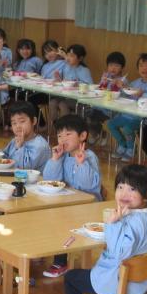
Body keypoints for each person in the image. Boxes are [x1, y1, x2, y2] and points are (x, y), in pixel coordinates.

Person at [62, 163, 147, 294]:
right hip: (140, 284)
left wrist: (111, 223)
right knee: (112, 269)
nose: (124, 193)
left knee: (71, 278)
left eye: (132, 189)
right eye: (120, 187)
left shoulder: (133, 222)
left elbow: (119, 252)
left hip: (119, 285)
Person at [41, 113, 103, 278]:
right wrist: (55, 159)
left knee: (60, 220)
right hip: (69, 202)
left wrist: (81, 163)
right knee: (47, 215)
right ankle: (44, 249)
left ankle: (60, 261)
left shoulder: (89, 157)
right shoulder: (64, 155)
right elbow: (50, 180)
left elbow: (88, 185)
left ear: (82, 136)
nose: (63, 139)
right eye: (60, 135)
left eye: (68, 134)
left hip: (89, 206)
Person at [107, 53, 147, 159]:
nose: (144, 68)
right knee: (111, 124)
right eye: (141, 65)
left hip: (142, 118)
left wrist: (143, 95)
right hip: (128, 114)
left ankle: (131, 149)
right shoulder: (135, 82)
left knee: (127, 128)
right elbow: (127, 95)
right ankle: (122, 144)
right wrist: (122, 87)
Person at [48, 44, 91, 122]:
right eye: (67, 55)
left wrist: (78, 84)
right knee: (52, 103)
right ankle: (55, 125)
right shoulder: (66, 67)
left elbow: (89, 86)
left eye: (71, 56)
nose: (68, 58)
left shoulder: (84, 70)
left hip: (78, 99)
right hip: (66, 96)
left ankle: (66, 126)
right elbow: (65, 82)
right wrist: (59, 79)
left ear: (80, 58)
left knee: (62, 104)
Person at [2, 101, 50, 169]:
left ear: (34, 121)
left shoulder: (40, 145)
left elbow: (25, 168)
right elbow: (5, 156)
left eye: (22, 121)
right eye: (14, 123)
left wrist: (20, 147)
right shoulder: (15, 140)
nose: (18, 126)